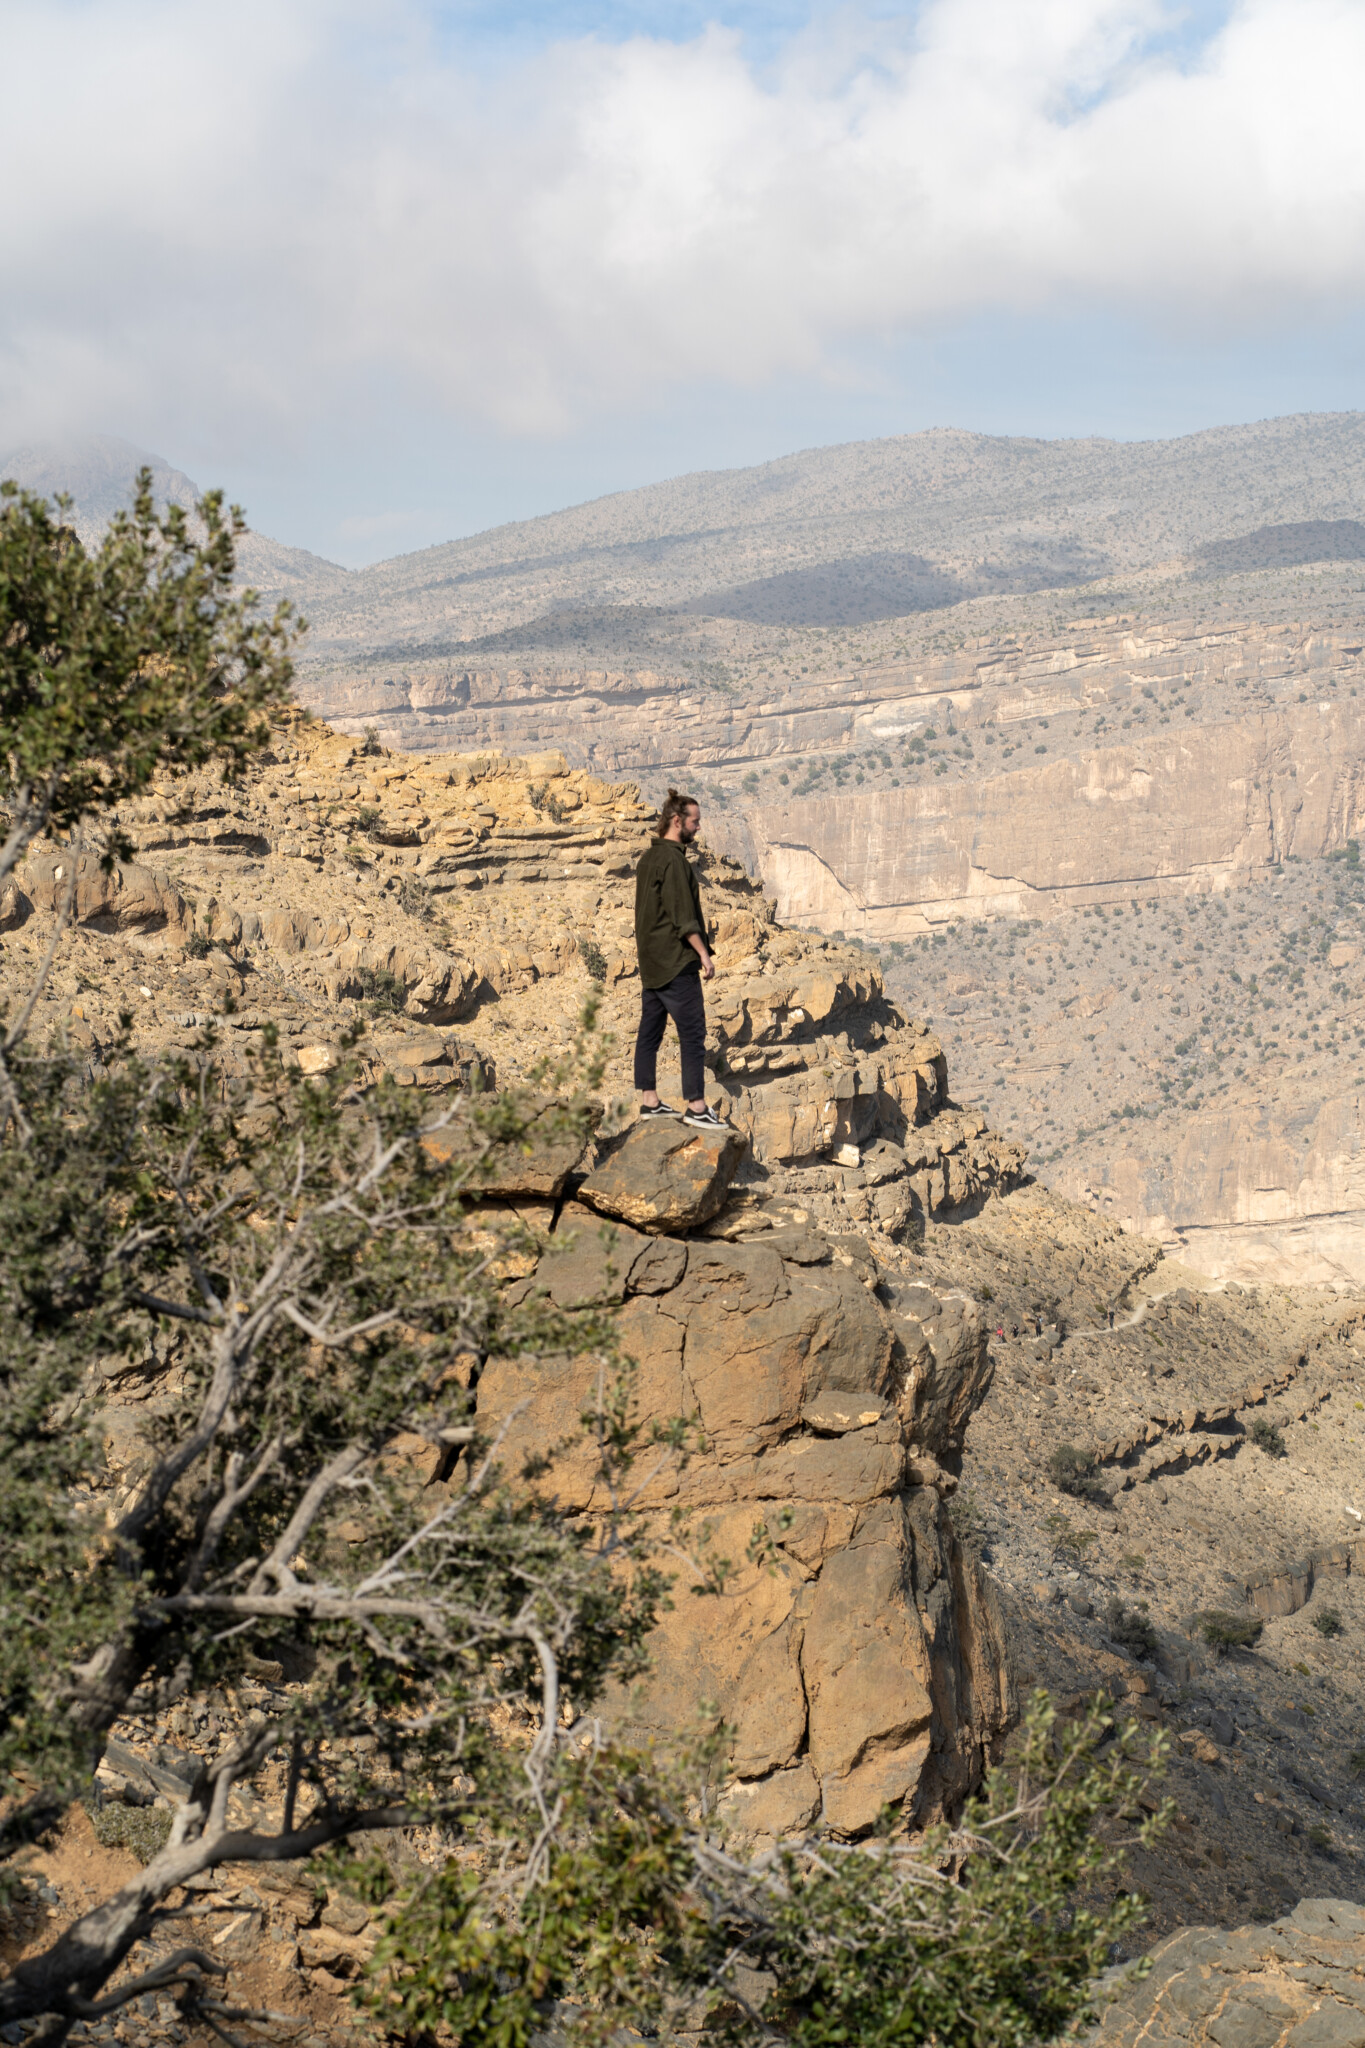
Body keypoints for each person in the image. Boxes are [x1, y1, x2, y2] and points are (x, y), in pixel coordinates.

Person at [633, 789, 726, 1129]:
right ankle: (697, 1107)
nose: (698, 828)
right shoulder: (673, 861)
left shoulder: (647, 859)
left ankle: (649, 1101)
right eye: (694, 821)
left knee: (650, 1033)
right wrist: (703, 954)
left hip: (652, 964)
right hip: (675, 963)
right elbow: (682, 914)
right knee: (692, 1033)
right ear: (677, 821)